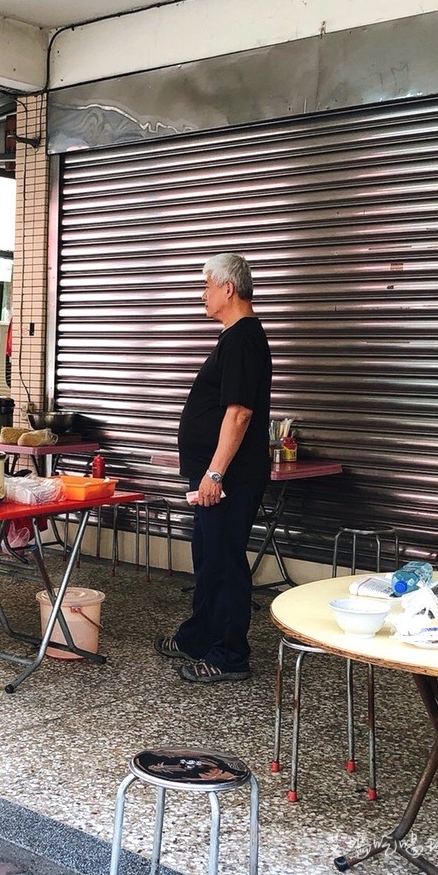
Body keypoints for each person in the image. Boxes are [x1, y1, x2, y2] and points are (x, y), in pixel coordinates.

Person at [156, 253, 272, 684]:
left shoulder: (243, 338)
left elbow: (239, 413)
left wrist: (215, 473)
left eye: (206, 285)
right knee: (207, 558)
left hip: (230, 478)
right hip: (216, 474)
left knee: (224, 562)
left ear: (228, 288)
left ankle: (229, 655)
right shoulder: (233, 337)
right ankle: (199, 636)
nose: (202, 294)